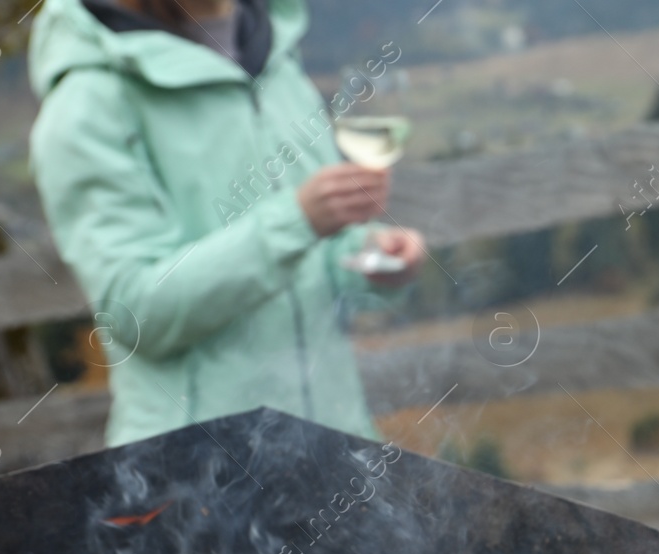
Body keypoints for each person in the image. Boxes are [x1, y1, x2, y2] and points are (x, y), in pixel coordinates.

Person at [28, 0, 425, 446]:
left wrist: (373, 262)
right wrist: (296, 221)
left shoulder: (274, 55)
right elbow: (135, 312)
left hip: (331, 454)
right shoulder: (89, 100)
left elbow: (317, 260)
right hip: (198, 479)